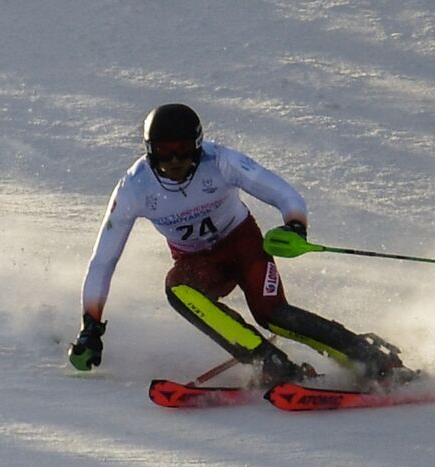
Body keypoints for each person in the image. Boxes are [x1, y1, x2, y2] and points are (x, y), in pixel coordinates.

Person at [69, 103, 414, 387]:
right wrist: (91, 328)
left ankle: (371, 361)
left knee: (272, 315)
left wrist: (295, 226)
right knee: (177, 289)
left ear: (198, 146)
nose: (174, 161)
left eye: (183, 150)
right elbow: (103, 260)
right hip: (200, 264)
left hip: (244, 245)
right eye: (164, 152)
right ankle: (271, 364)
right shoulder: (134, 188)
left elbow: (284, 194)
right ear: (149, 152)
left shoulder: (221, 162)